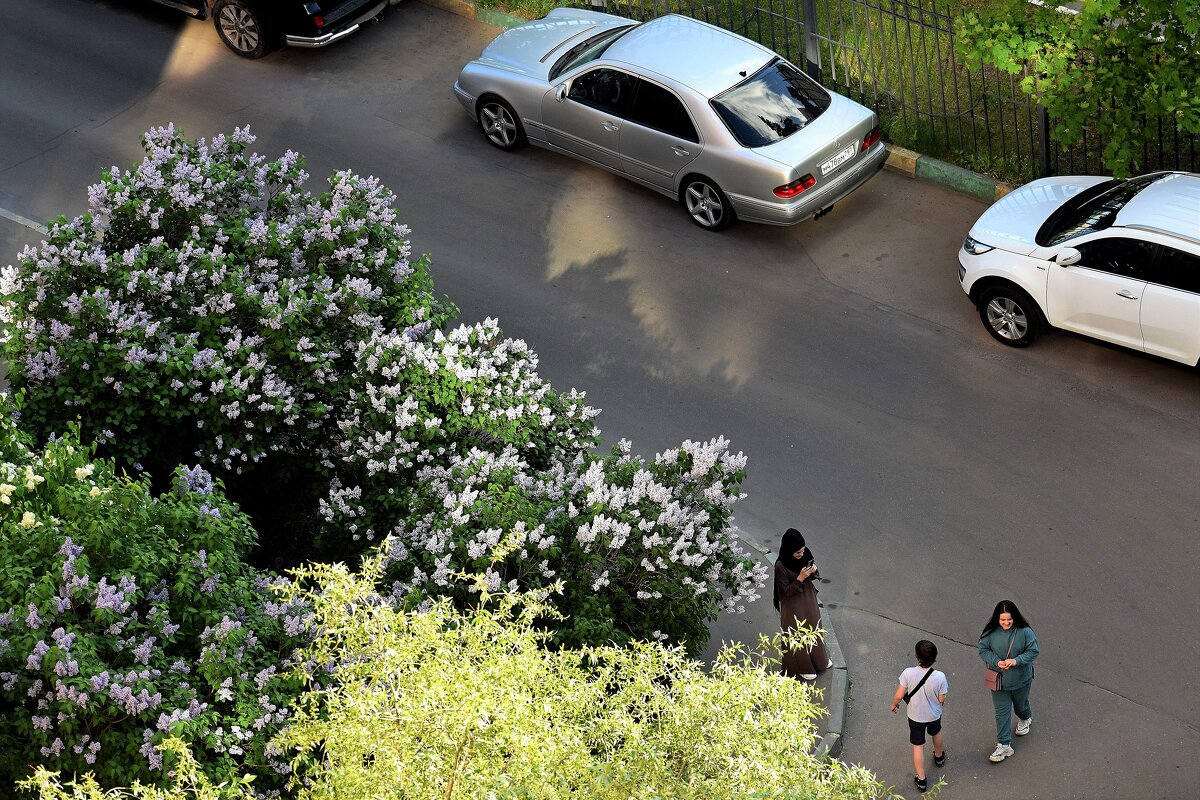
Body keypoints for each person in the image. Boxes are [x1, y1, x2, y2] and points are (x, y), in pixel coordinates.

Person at [978, 599, 1039, 763]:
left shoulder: (1025, 632)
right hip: (999, 682)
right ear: (997, 619)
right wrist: (996, 661)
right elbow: (983, 650)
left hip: (1021, 680)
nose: (1006, 623)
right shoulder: (990, 633)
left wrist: (1016, 661)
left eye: (1009, 620)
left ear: (1015, 617)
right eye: (1002, 620)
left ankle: (1025, 718)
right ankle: (1004, 746)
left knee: (1021, 706)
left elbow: (1033, 651)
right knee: (1001, 712)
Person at [772, 527, 831, 680]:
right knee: (797, 632)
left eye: (803, 551)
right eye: (798, 553)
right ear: (789, 550)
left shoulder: (805, 554)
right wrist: (800, 577)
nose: (802, 555)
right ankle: (802, 667)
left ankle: (820, 662)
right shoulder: (781, 565)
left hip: (807, 598)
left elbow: (812, 577)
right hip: (792, 604)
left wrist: (813, 572)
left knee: (814, 626)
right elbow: (785, 592)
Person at [891, 639, 948, 794]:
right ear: (935, 657)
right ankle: (939, 757)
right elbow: (942, 699)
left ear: (917, 656)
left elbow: (898, 695)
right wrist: (937, 704)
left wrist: (894, 705)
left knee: (918, 746)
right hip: (933, 715)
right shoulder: (940, 676)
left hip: (915, 716)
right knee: (936, 733)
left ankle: (922, 780)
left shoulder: (908, 673)